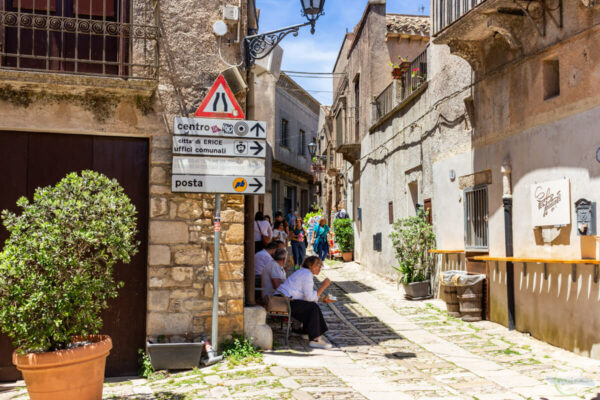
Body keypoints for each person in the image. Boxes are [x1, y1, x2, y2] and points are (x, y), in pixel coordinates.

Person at [277, 256, 333, 349]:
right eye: (318, 265)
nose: (320, 268)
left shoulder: (303, 272)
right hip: (283, 301)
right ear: (311, 266)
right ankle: (315, 339)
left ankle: (306, 332)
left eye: (320, 266)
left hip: (284, 299)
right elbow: (310, 297)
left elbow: (306, 295)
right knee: (313, 307)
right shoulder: (306, 275)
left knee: (310, 306)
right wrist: (323, 286)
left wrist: (321, 299)